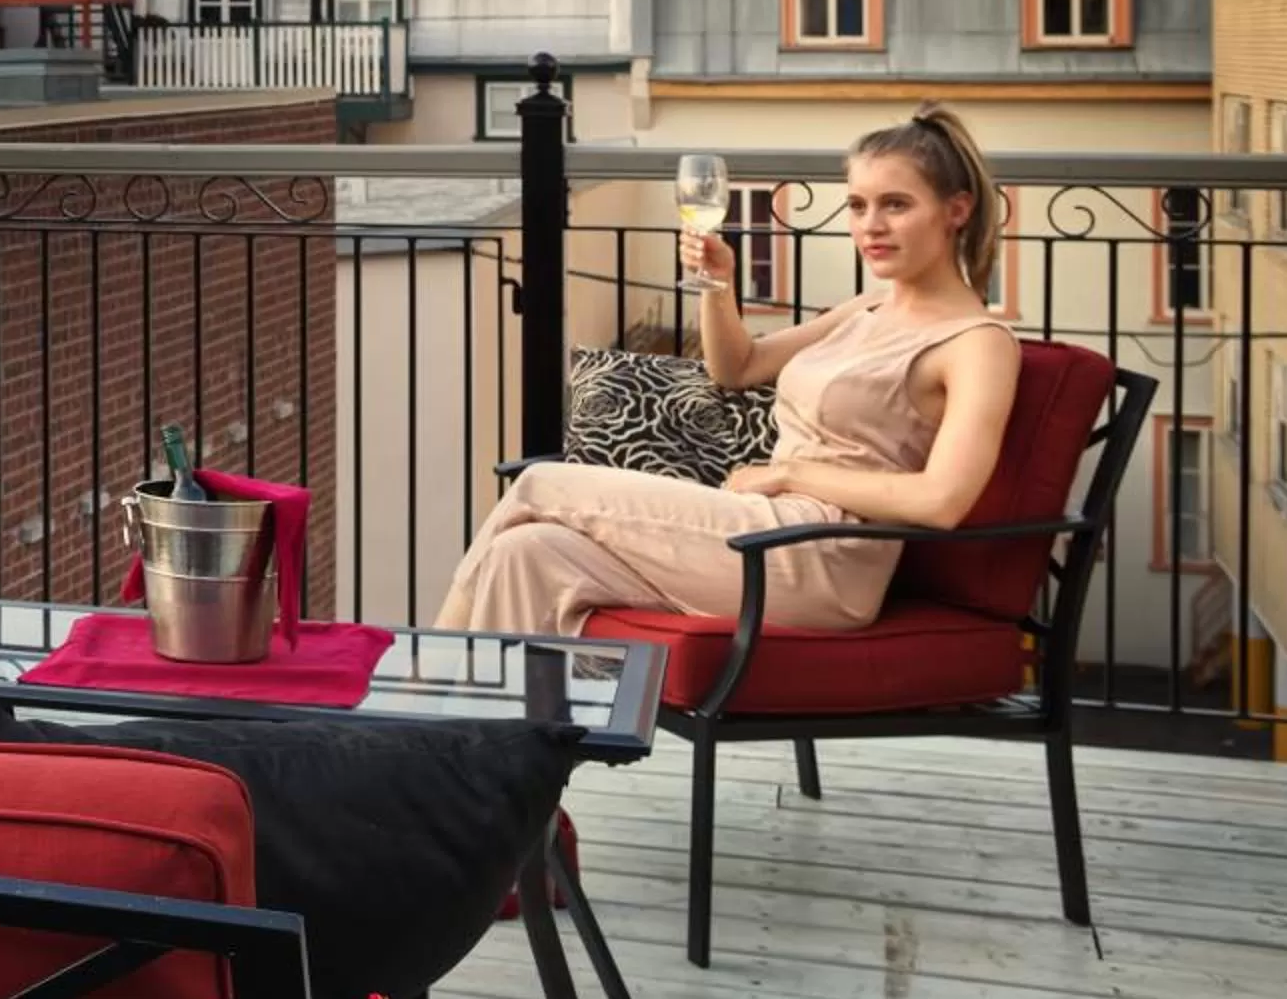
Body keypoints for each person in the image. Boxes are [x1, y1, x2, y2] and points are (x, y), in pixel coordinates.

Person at [436, 105, 1022, 638]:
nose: (871, 225)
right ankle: (490, 745)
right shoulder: (868, 309)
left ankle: (416, 677)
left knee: (543, 483)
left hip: (822, 560)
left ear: (957, 211)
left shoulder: (977, 344)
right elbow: (739, 368)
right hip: (763, 532)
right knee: (529, 552)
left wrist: (790, 474)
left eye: (896, 205)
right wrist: (718, 282)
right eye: (858, 205)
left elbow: (942, 501)